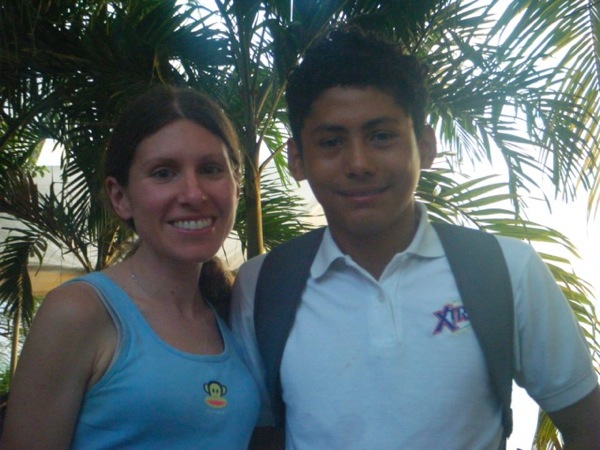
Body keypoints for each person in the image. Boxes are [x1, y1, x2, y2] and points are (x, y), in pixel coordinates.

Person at [230, 27, 600, 449]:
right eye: (331, 142)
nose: (358, 163)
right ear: (297, 159)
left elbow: (587, 424)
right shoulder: (264, 286)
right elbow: (260, 434)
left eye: (381, 136)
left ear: (425, 145)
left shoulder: (504, 270)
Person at [1, 86, 260, 449]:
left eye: (210, 169)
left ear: (237, 183)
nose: (193, 193)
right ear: (120, 197)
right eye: (164, 173)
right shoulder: (80, 312)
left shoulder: (233, 312)